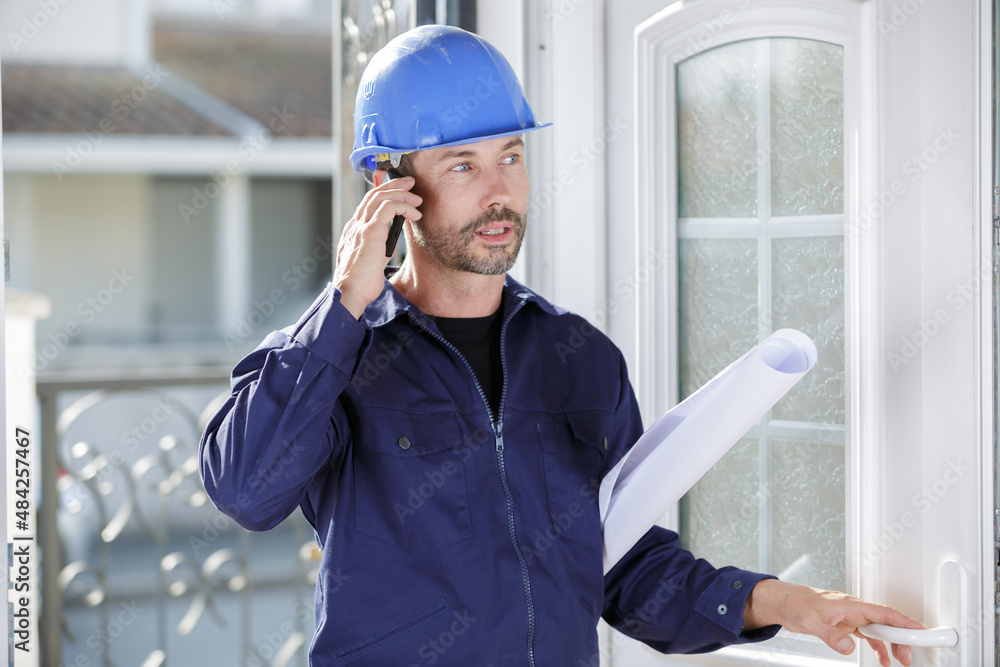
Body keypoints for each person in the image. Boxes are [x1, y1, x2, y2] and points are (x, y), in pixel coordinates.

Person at [200, 24, 923, 667]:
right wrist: (347, 302)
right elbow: (245, 489)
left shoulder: (579, 357)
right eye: (463, 165)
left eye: (510, 157)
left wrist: (787, 603)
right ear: (388, 181)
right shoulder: (336, 357)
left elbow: (627, 567)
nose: (499, 192)